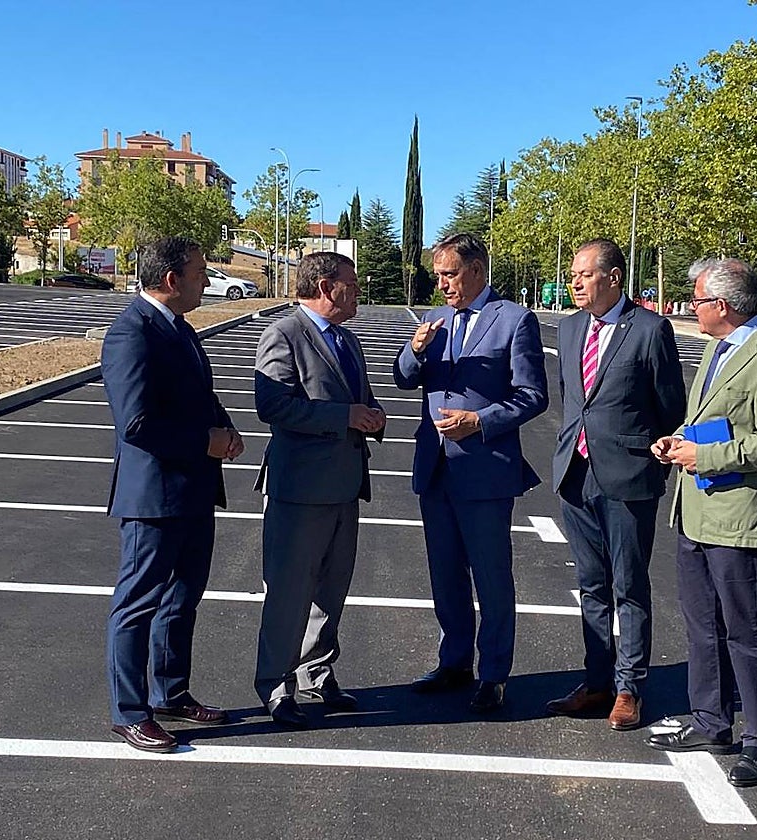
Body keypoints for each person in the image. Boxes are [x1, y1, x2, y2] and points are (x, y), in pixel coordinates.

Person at [647, 257, 757, 787]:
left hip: (737, 518)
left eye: (696, 300)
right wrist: (678, 440)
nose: (691, 308)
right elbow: (707, 421)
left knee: (743, 630)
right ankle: (711, 721)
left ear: (723, 306)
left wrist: (705, 458)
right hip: (695, 511)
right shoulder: (719, 349)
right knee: (700, 625)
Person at [393, 232, 549, 713]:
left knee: (491, 576)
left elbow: (532, 395)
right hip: (436, 467)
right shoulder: (434, 319)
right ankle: (454, 661)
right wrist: (415, 351)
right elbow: (404, 379)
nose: (440, 284)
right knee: (445, 574)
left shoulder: (515, 320)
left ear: (477, 269)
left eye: (449, 274)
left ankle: (494, 673)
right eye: (437, 274)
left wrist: (480, 421)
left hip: (484, 469)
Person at [101, 235, 244, 753]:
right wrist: (205, 440)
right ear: (170, 279)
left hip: (194, 490)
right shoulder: (130, 333)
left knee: (183, 597)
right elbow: (135, 423)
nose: (207, 280)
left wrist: (224, 429)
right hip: (154, 496)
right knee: (137, 603)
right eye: (200, 272)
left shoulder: (179, 329)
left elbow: (198, 396)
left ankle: (170, 692)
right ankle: (130, 712)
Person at [545, 239, 685, 731]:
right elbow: (573, 399)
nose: (575, 282)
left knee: (629, 586)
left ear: (615, 277)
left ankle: (629, 688)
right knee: (591, 585)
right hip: (576, 472)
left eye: (585, 274)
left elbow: (670, 407)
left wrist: (651, 462)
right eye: (573, 274)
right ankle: (597, 682)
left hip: (628, 477)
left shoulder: (650, 330)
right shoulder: (568, 330)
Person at [253, 251, 386, 729]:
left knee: (331, 590)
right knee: (289, 591)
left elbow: (359, 399)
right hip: (299, 488)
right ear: (327, 287)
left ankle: (316, 673)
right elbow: (271, 405)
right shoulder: (284, 334)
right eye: (352, 282)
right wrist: (342, 417)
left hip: (345, 484)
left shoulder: (347, 339)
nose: (358, 289)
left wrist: (371, 416)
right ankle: (275, 685)